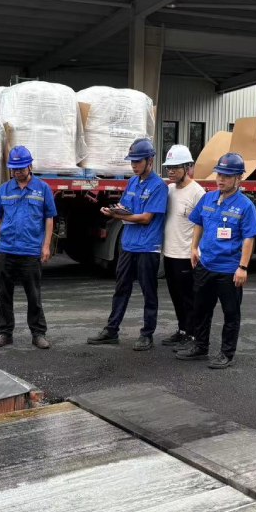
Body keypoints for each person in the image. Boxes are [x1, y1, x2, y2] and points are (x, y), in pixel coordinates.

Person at [175, 152, 256, 369]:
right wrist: (194, 248)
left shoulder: (245, 206)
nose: (221, 179)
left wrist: (243, 267)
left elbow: (249, 237)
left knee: (231, 313)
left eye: (227, 176)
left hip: (229, 269)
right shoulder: (208, 198)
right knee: (201, 309)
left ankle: (226, 353)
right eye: (219, 174)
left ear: (239, 178)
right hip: (206, 265)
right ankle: (200, 346)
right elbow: (198, 222)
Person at [88, 137, 168, 351]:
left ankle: (147, 334)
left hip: (147, 247)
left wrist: (119, 215)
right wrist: (112, 211)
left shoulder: (159, 186)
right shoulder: (132, 182)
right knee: (121, 289)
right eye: (132, 161)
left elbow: (146, 218)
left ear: (150, 160)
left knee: (149, 292)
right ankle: (111, 330)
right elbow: (125, 207)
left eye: (138, 161)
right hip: (129, 245)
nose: (133, 165)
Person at [0, 145, 57, 349]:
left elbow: (49, 218)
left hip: (30, 250)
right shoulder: (4, 189)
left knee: (34, 295)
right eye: (14, 169)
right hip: (6, 250)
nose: (17, 172)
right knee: (4, 295)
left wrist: (46, 246)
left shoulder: (42, 189)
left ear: (30, 166)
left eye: (21, 168)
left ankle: (38, 333)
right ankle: (5, 333)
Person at [161, 144, 205, 347]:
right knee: (175, 295)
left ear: (187, 167)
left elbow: (202, 225)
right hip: (169, 253)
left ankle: (193, 333)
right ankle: (182, 329)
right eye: (168, 167)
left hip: (186, 255)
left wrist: (195, 249)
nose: (171, 171)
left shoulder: (197, 192)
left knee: (189, 297)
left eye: (175, 167)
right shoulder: (169, 190)